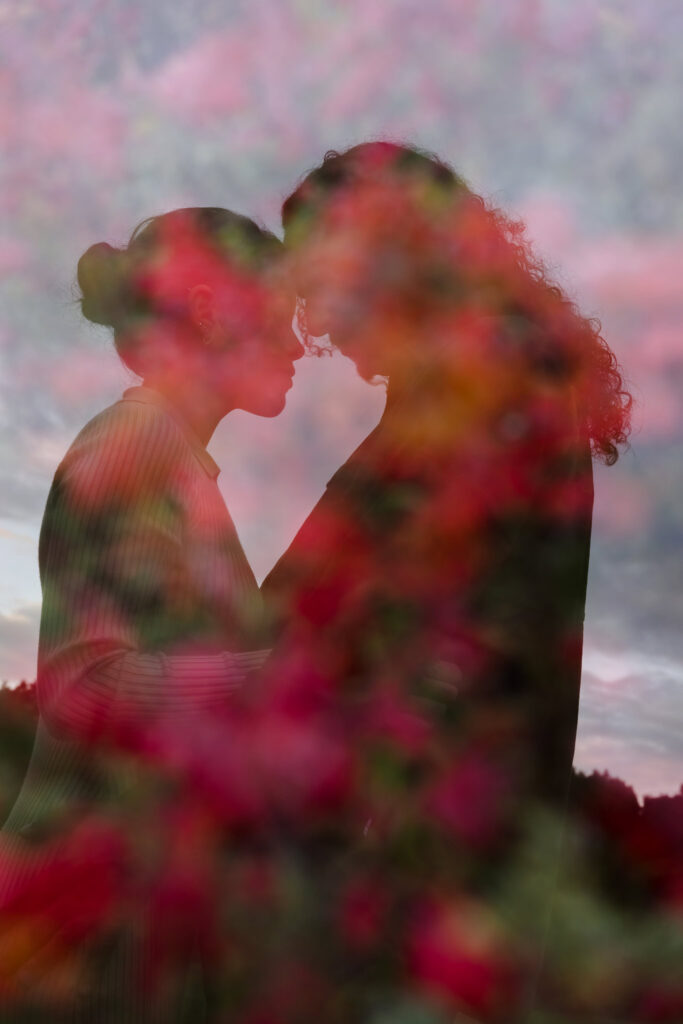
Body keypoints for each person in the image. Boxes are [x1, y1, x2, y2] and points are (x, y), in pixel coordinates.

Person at [260, 142, 632, 1022]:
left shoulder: (482, 407)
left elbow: (437, 663)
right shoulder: (493, 389)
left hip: (412, 883)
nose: (317, 320)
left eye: (323, 281)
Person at [0, 207, 303, 1022]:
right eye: (283, 314)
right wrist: (291, 677)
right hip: (71, 947)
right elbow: (84, 687)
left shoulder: (172, 461)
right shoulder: (129, 446)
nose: (302, 345)